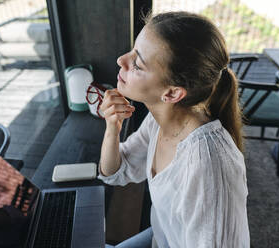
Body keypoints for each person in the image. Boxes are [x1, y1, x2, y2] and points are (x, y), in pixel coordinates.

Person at [98, 11, 250, 248]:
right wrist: (112, 128)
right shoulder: (160, 119)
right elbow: (116, 172)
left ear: (171, 93)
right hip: (163, 238)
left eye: (137, 64)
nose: (121, 60)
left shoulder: (207, 166)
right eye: (132, 50)